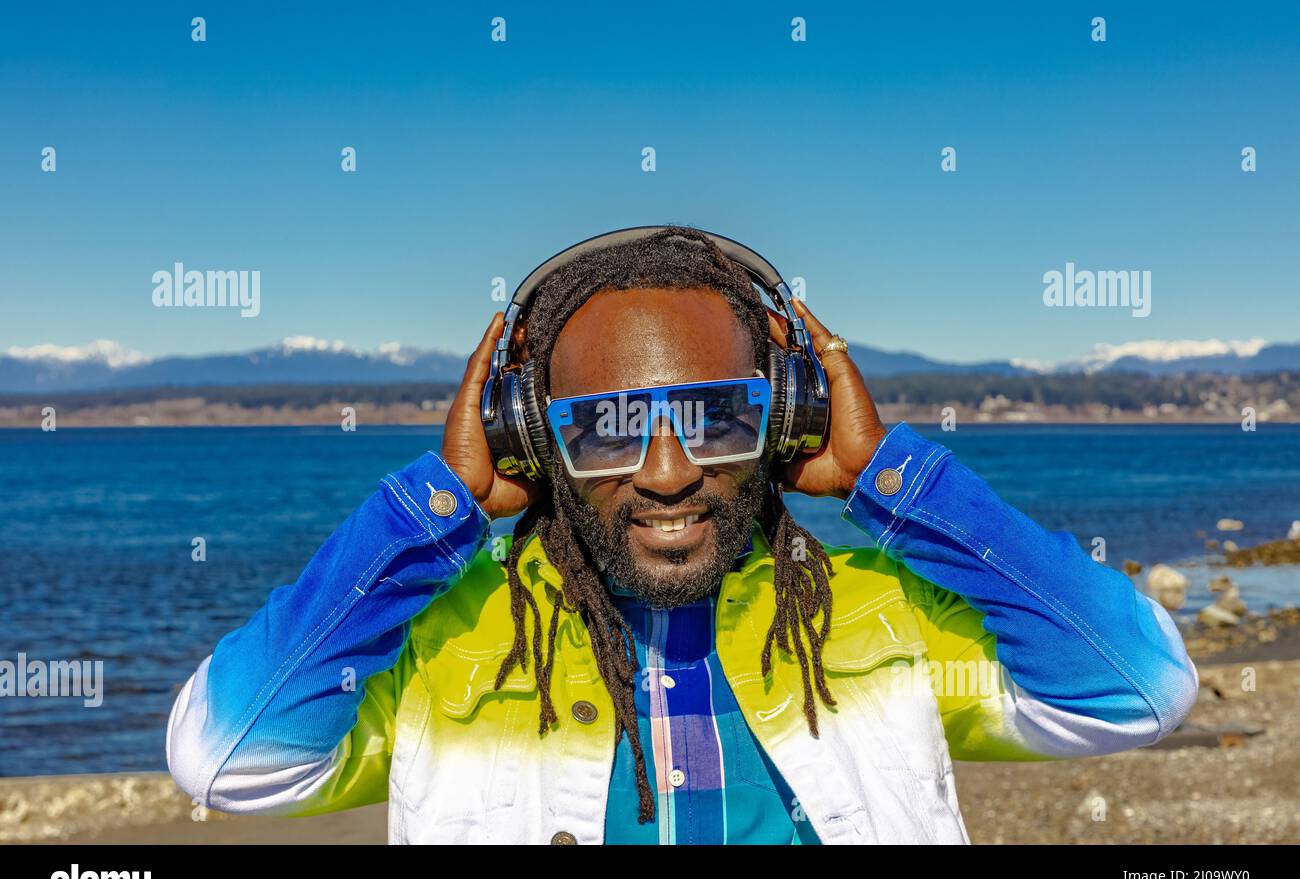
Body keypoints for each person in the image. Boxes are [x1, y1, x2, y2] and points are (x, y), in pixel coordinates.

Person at [166, 226, 1198, 844]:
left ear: (787, 417)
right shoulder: (448, 646)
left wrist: (898, 485)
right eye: (605, 428)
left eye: (716, 417)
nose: (665, 473)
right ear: (529, 441)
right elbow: (226, 756)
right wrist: (428, 512)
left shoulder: (874, 616)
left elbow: (1137, 686)